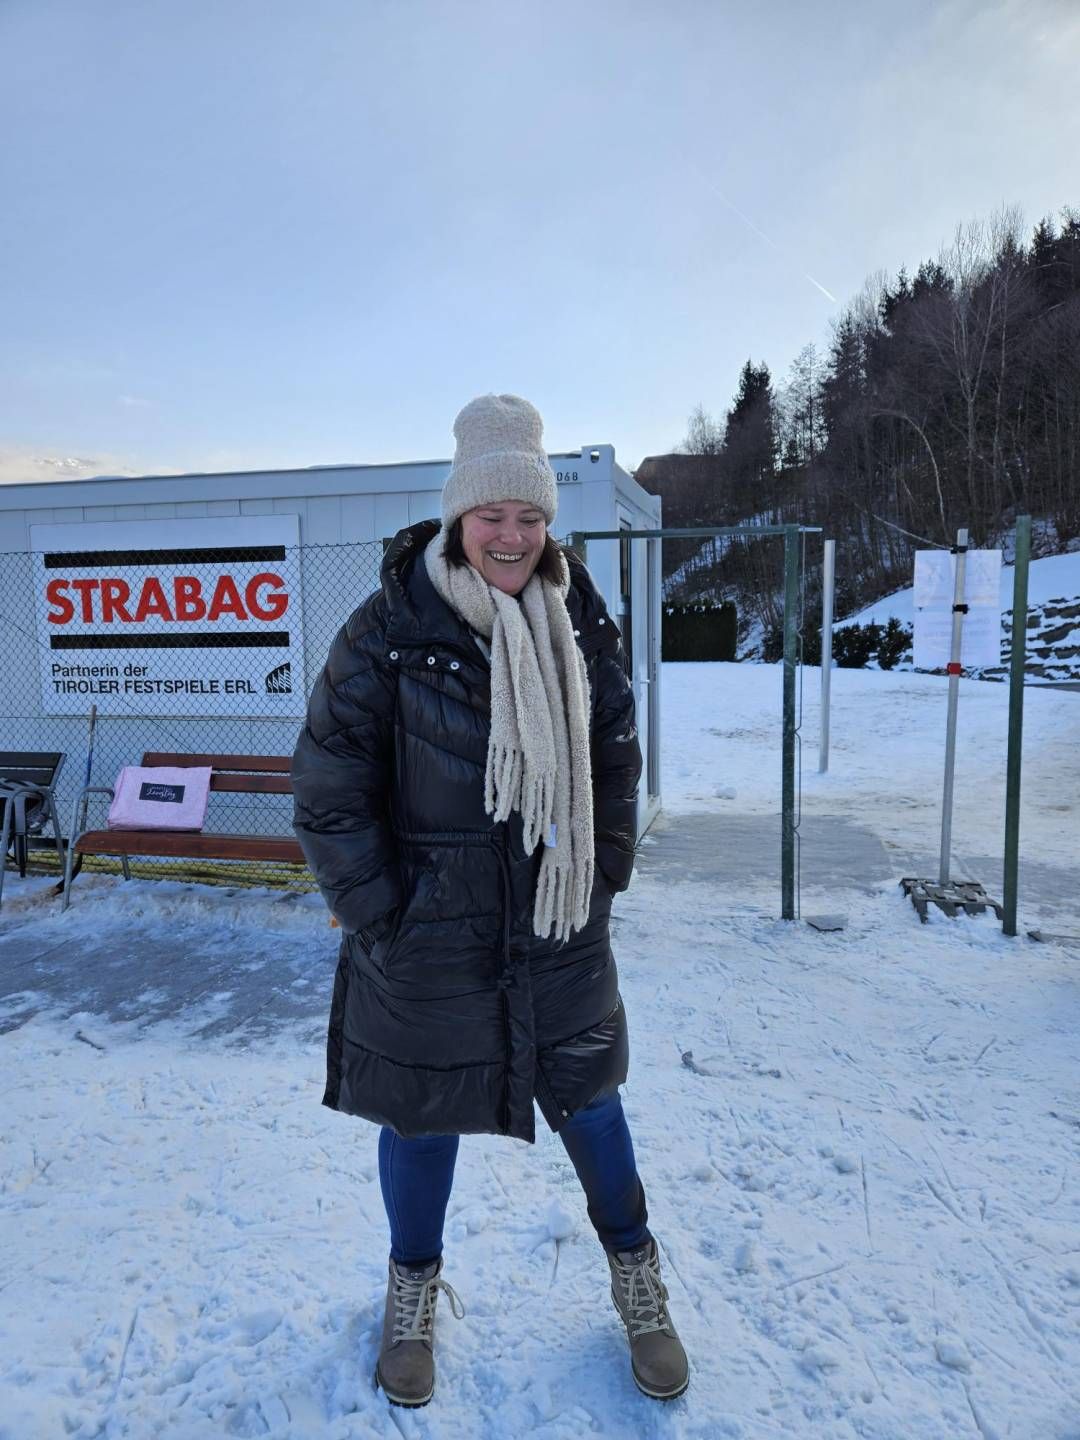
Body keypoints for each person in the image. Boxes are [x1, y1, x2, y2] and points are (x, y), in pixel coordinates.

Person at [292, 394, 688, 1407]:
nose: (511, 536)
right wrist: (383, 914)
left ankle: (638, 1281)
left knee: (593, 1103)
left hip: (558, 921)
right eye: (491, 514)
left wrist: (601, 873)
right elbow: (330, 783)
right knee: (420, 1117)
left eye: (530, 516)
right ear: (458, 515)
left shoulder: (578, 622)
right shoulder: (389, 628)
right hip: (430, 935)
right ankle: (411, 1296)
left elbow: (615, 754)